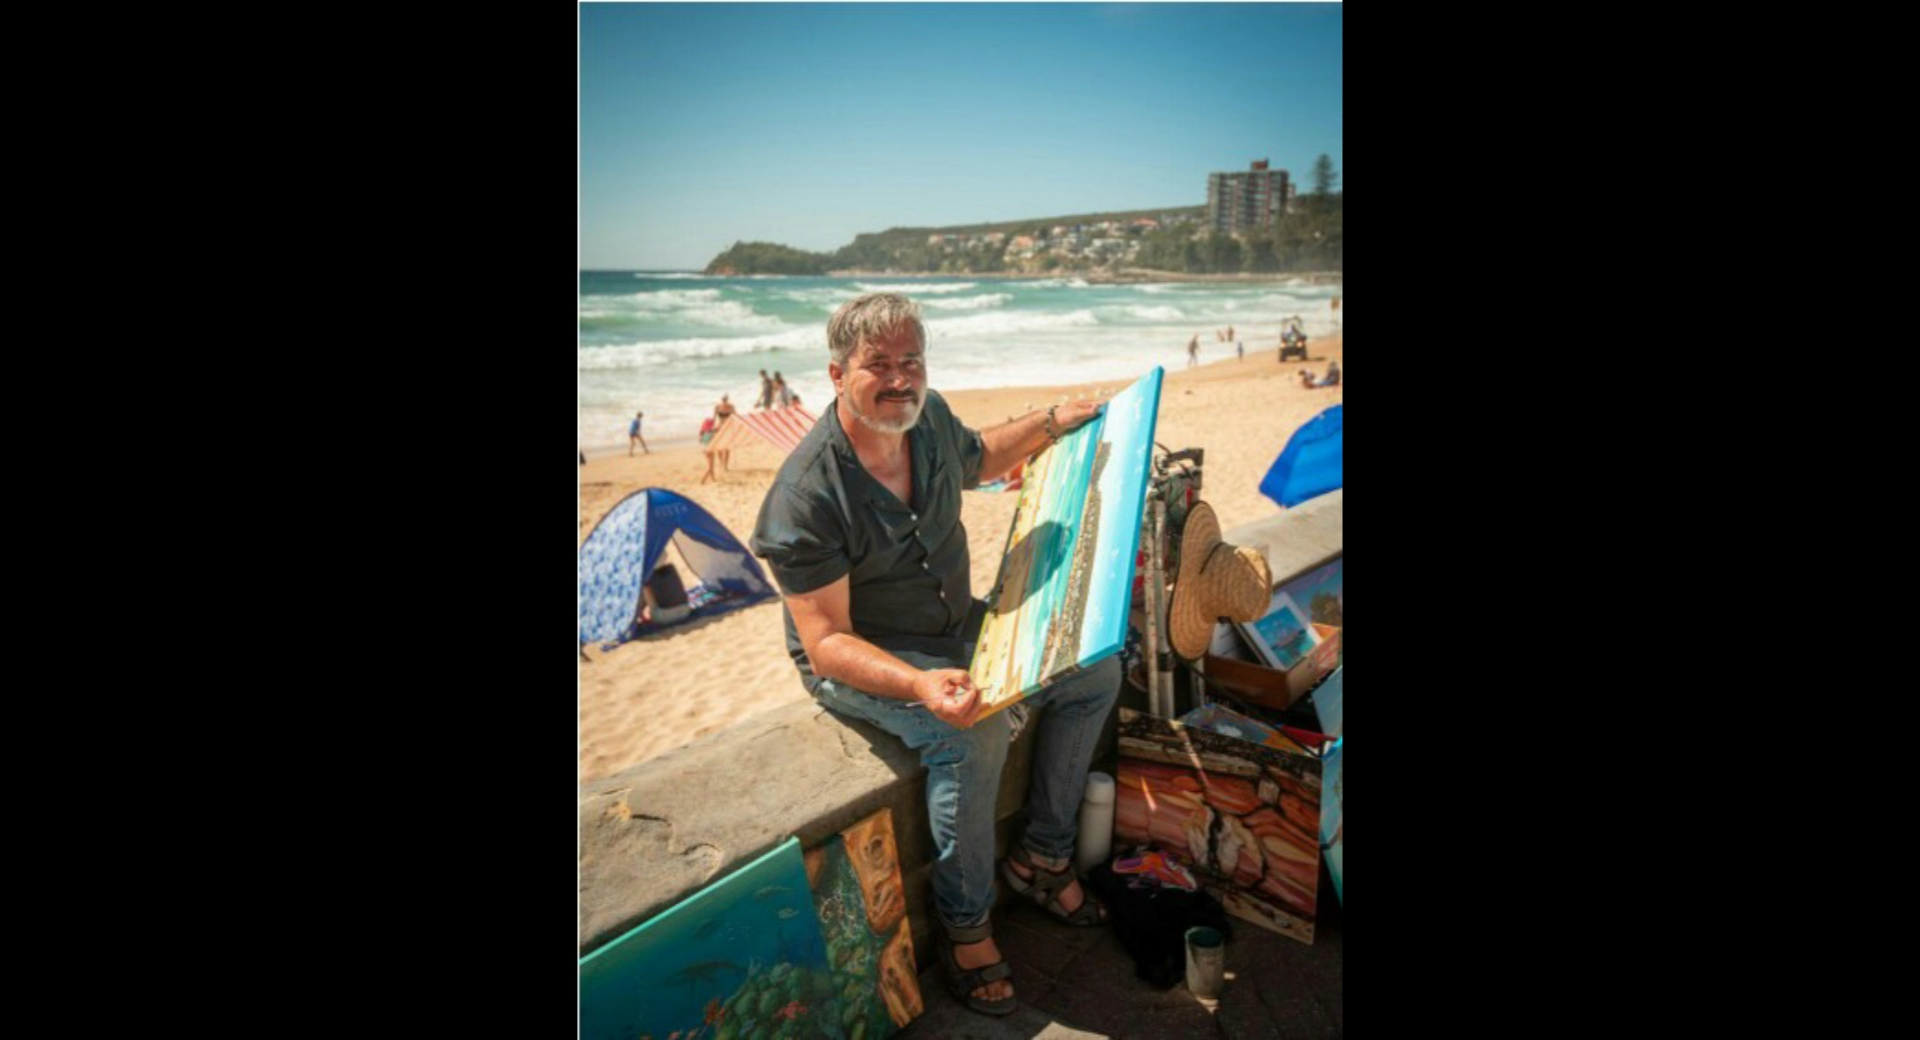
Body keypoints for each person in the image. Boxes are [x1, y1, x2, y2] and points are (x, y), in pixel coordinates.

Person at [750, 292, 1115, 1018]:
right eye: (878, 364)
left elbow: (980, 455)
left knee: (1094, 666)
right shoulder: (804, 498)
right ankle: (966, 927)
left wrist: (1050, 421)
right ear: (836, 374)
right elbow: (827, 644)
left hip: (952, 625)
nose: (899, 379)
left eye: (911, 361)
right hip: (865, 658)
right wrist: (920, 685)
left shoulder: (929, 417)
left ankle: (1041, 857)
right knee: (972, 734)